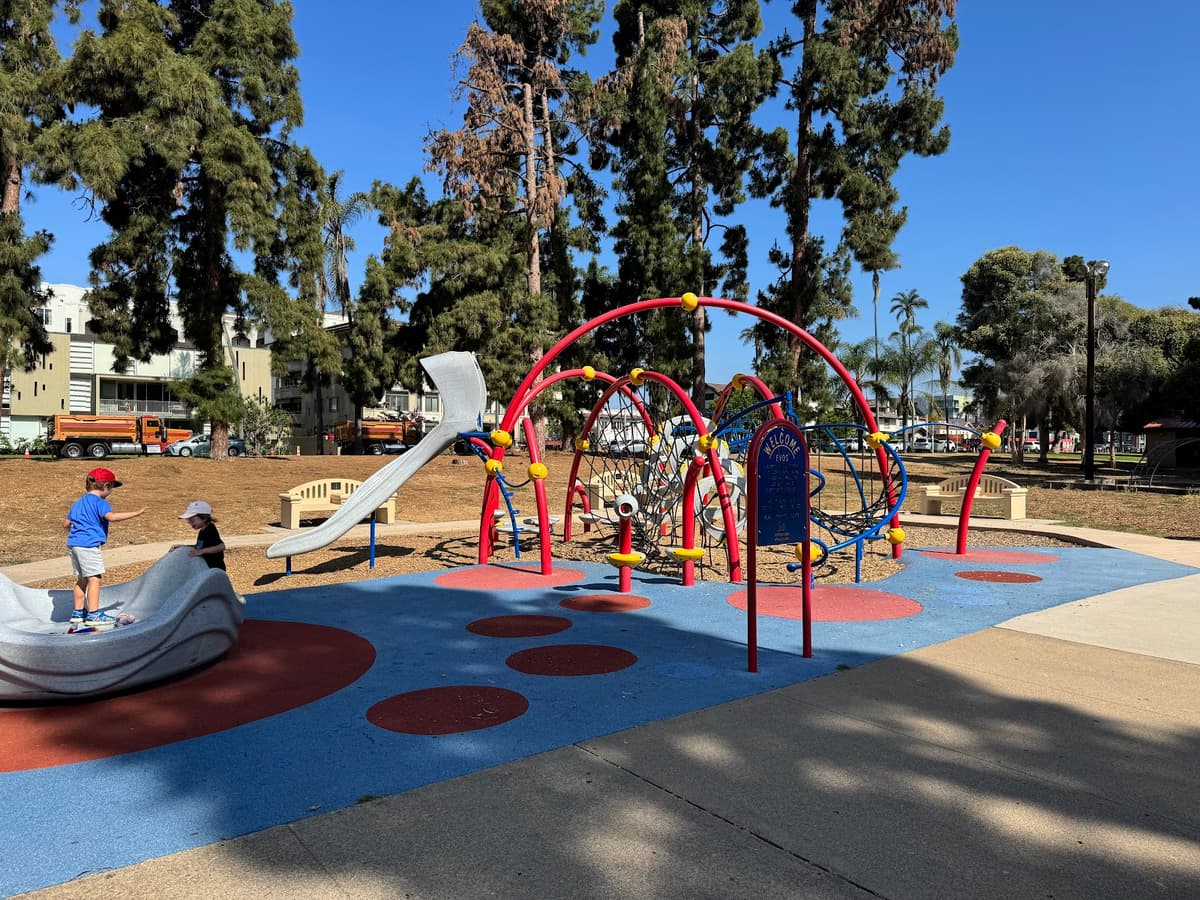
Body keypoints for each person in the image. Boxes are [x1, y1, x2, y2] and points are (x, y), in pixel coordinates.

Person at [64, 467, 147, 629]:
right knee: (95, 578)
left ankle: (77, 613)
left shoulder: (78, 503)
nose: (111, 491)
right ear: (106, 486)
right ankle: (94, 615)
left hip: (73, 544)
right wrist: (137, 513)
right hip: (88, 545)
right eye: (112, 488)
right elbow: (111, 517)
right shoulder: (100, 503)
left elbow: (66, 524)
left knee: (82, 579)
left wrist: (76, 532)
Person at [173, 500, 226, 570]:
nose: (190, 523)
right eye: (189, 521)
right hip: (207, 568)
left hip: (215, 569)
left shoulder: (210, 529)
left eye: (192, 520)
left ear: (204, 518)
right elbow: (200, 546)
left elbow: (221, 546)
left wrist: (201, 551)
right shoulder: (202, 530)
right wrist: (184, 547)